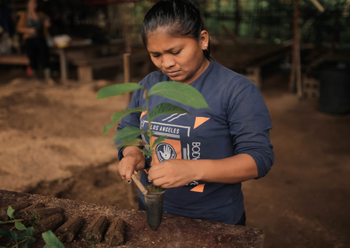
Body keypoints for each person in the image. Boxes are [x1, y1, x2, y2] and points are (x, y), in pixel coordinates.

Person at [117, 0, 274, 226]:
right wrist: (131, 153)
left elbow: (259, 159)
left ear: (203, 40)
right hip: (153, 210)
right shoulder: (149, 85)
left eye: (176, 51)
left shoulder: (236, 90)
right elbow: (128, 127)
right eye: (156, 55)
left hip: (215, 220)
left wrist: (193, 169)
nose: (167, 63)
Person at [16, 0, 53, 84]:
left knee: (45, 56)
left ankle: (48, 78)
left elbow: (47, 23)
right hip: (30, 40)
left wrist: (47, 25)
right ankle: (35, 79)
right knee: (33, 58)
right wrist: (29, 30)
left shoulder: (41, 15)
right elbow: (19, 28)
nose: (34, 4)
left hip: (41, 38)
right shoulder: (24, 16)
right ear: (28, 4)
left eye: (35, 3)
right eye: (32, 3)